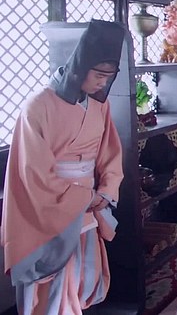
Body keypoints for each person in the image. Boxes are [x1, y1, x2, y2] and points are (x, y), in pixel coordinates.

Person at [1, 20, 125, 314]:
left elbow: (110, 153)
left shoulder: (100, 105)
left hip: (88, 205)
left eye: (109, 77)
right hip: (50, 210)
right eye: (99, 75)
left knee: (84, 279)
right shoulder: (37, 107)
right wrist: (82, 198)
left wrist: (106, 191)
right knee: (51, 291)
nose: (103, 83)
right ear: (79, 66)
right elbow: (34, 174)